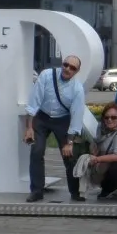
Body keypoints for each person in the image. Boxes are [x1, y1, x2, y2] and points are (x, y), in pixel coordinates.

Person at [23, 55, 87, 203]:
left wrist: (70, 142)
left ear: (77, 71)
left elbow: (77, 115)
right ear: (62, 64)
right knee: (36, 151)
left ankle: (75, 192)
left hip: (62, 120)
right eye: (66, 64)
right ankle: (36, 191)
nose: (67, 69)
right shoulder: (46, 75)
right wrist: (29, 128)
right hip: (42, 117)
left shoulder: (77, 89)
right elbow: (34, 101)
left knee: (69, 155)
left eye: (72, 68)